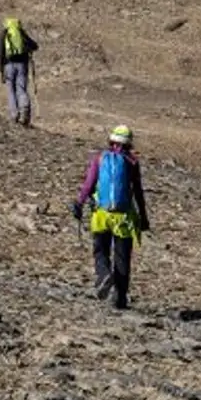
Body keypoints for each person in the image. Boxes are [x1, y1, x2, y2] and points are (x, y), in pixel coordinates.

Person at [73, 125, 150, 310]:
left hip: (101, 215)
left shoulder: (99, 159)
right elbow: (138, 192)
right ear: (129, 143)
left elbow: (89, 184)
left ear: (112, 140)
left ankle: (103, 273)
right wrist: (143, 217)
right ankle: (120, 298)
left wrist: (79, 203)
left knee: (100, 251)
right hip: (123, 218)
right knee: (122, 258)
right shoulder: (132, 162)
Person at [0, 18, 40, 126]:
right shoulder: (21, 33)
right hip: (22, 65)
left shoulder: (5, 33)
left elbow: (0, 52)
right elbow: (35, 46)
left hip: (8, 65)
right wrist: (27, 49)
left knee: (11, 90)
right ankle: (24, 110)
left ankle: (14, 114)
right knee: (21, 88)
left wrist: (1, 70)